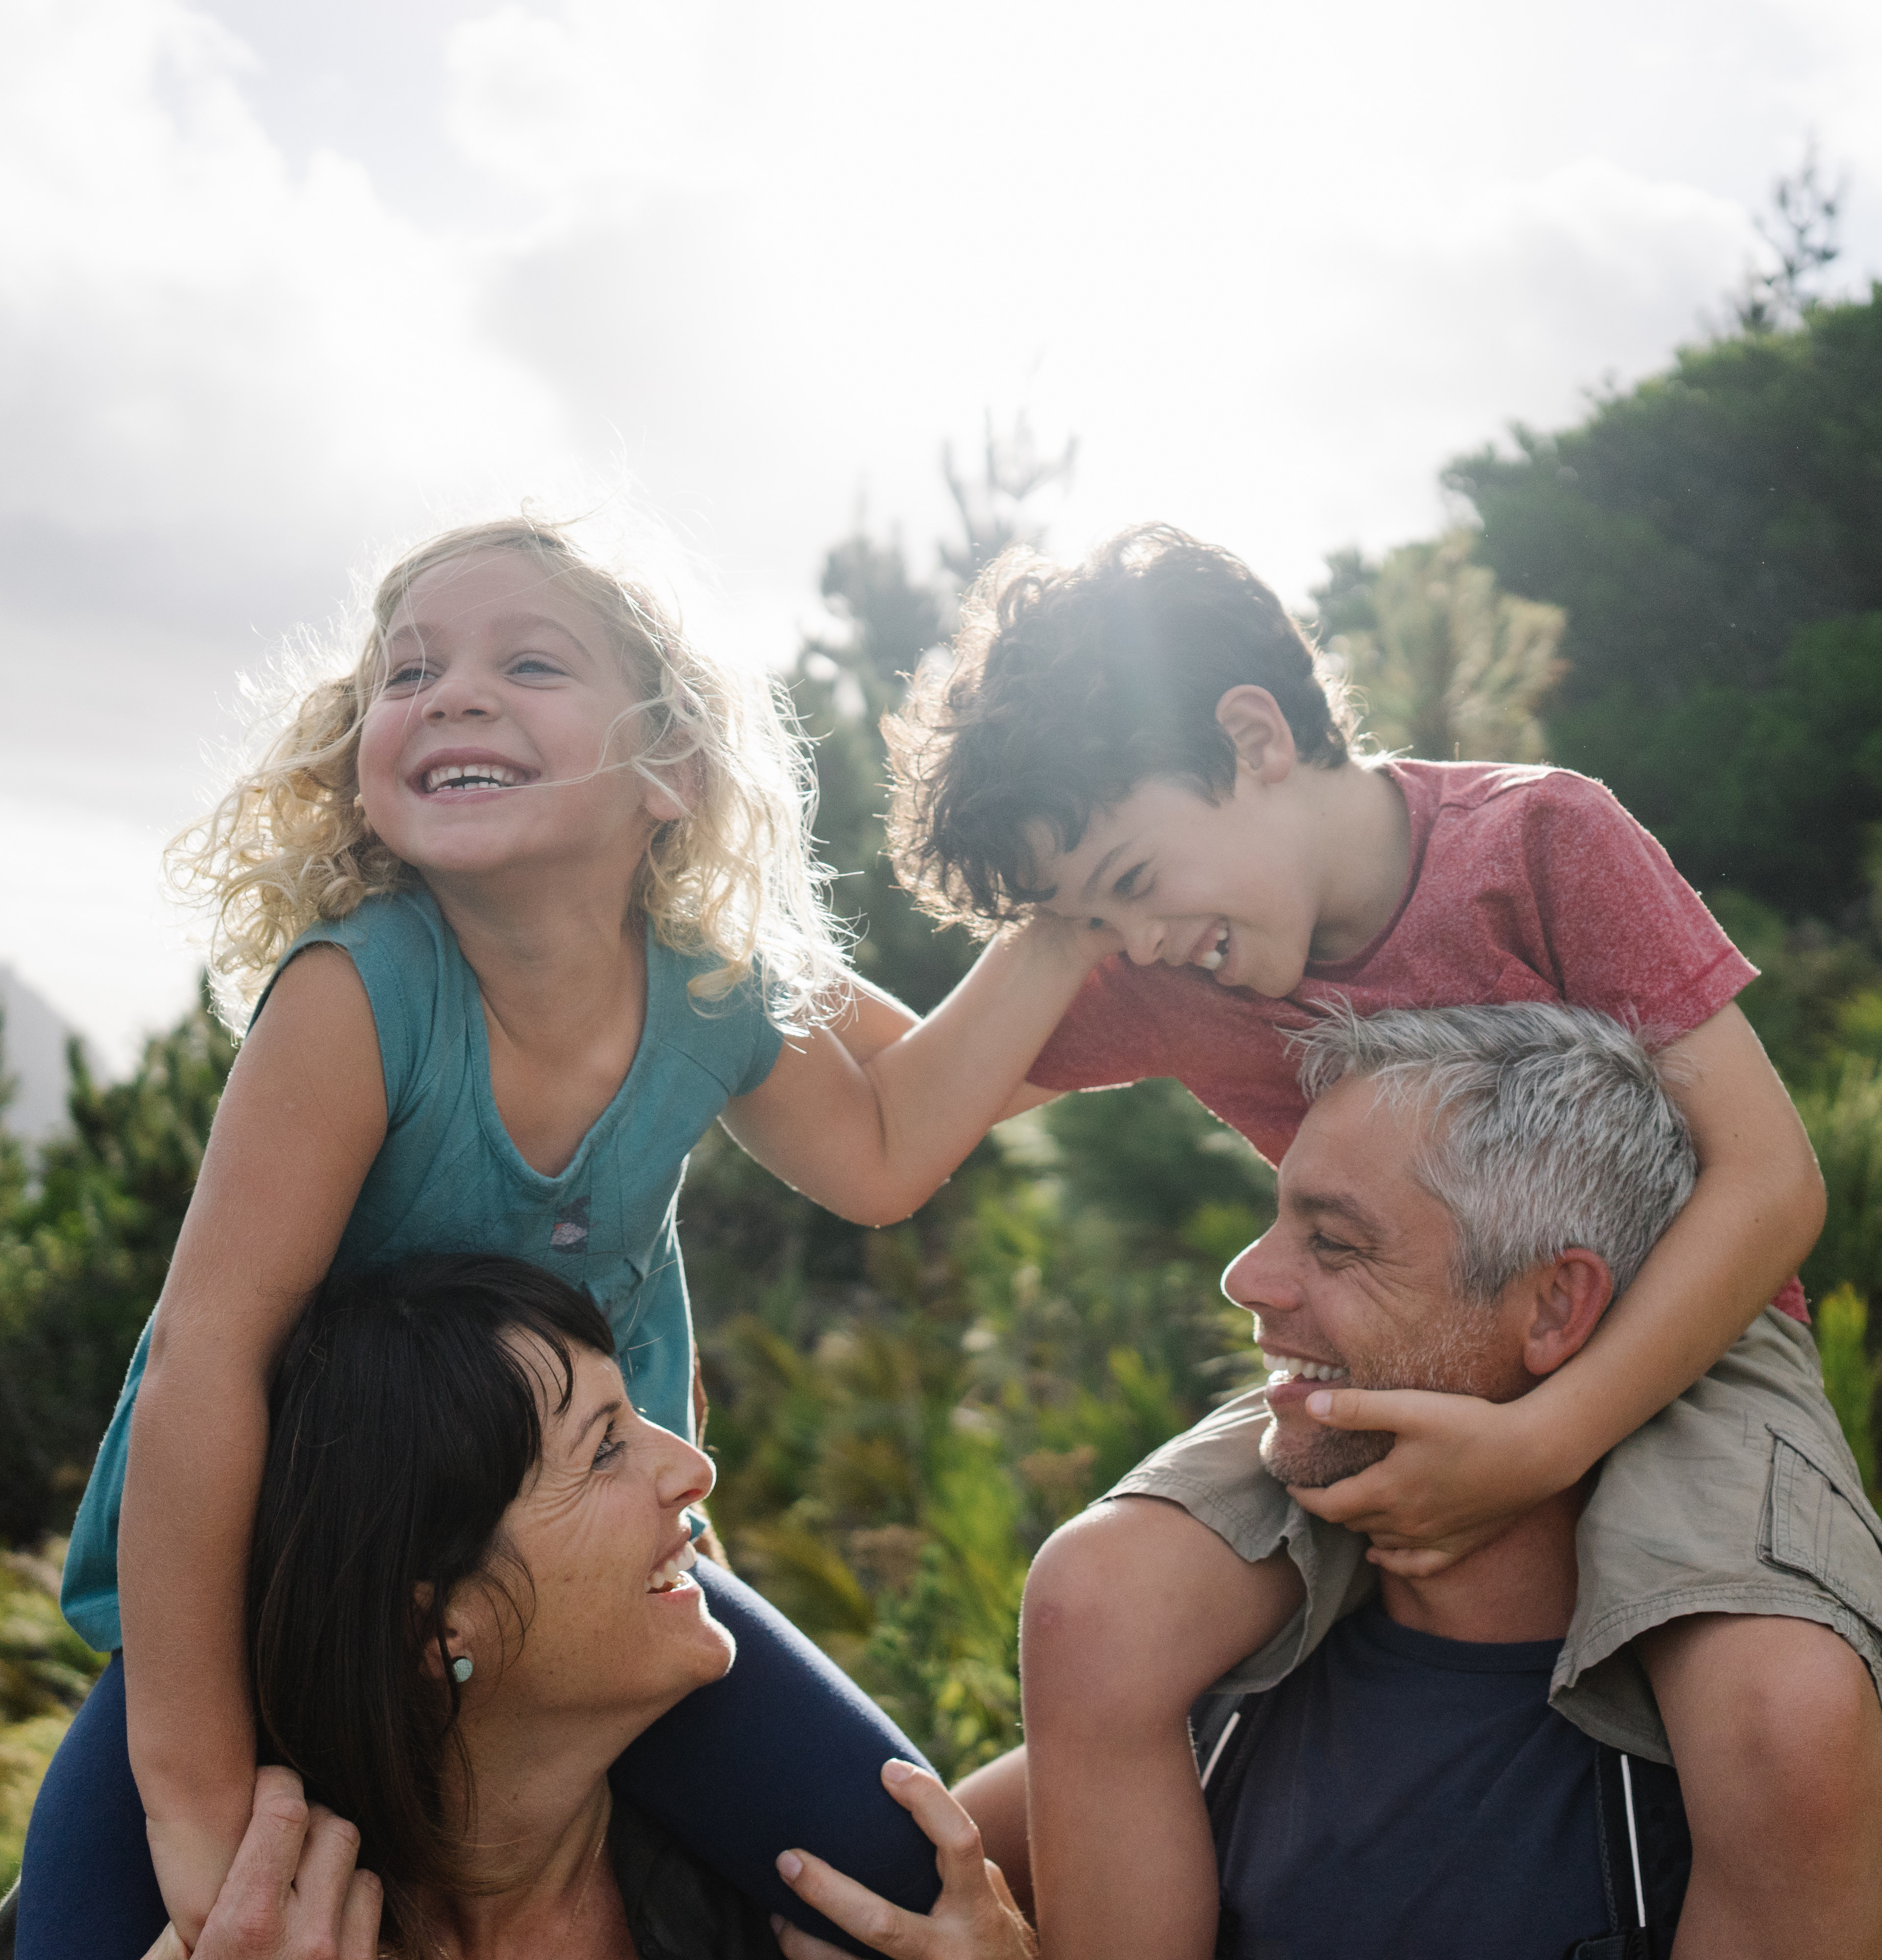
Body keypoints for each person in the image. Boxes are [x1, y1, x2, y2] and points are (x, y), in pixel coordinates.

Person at [20, 518, 1107, 1960]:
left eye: (529, 661)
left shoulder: (711, 985)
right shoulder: (361, 998)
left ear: (673, 773)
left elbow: (894, 1142)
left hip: (591, 1580)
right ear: (362, 765)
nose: (452, 693)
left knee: (904, 1886)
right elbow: (207, 1365)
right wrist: (194, 1794)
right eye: (406, 677)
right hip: (273, 1590)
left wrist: (1095, 918)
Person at [886, 524, 1870, 1959]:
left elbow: (1772, 1180)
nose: (1135, 943)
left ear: (1254, 734)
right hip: (1397, 1328)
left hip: (1694, 1330)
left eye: (1134, 878)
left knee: (1782, 1713)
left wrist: (1548, 1443)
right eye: (1093, 917)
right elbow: (895, 1118)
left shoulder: (1540, 840)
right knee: (1096, 1599)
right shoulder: (1170, 957)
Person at [971, 1004, 1882, 1957]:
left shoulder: (1735, 1778)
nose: (1247, 1277)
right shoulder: (1193, 1700)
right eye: (1277, 1217)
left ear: (1556, 1306)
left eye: (1333, 1241)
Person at [110, 1253, 1033, 1960]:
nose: (694, 1470)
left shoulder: (778, 1889)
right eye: (601, 1451)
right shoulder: (227, 1925)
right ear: (432, 1626)